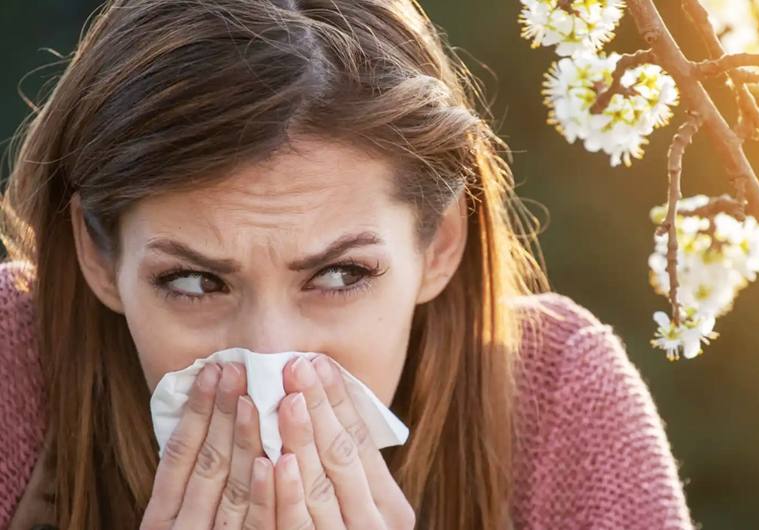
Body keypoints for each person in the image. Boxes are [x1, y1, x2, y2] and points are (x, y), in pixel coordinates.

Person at [0, 0, 695, 528]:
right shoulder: (15, 364)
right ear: (97, 256)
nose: (271, 359)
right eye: (192, 282)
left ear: (440, 244)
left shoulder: (555, 396)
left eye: (339, 275)